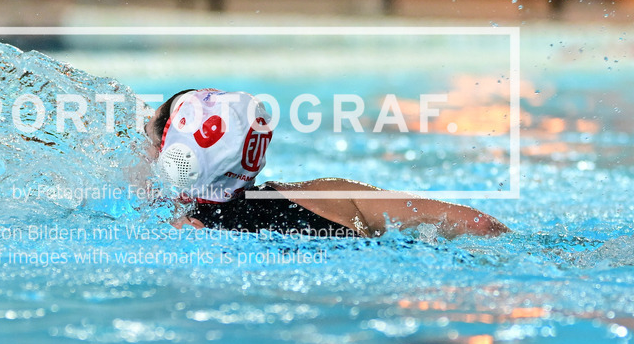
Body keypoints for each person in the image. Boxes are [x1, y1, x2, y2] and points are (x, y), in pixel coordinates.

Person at [144, 89, 508, 239]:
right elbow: (481, 224)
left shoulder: (179, 229)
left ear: (175, 159)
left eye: (148, 133)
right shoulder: (328, 196)